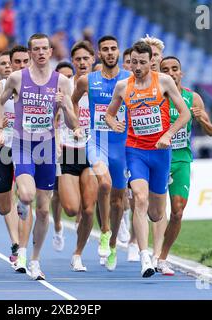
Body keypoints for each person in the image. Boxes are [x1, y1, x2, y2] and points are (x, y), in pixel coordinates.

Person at [0, 33, 80, 280]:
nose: (41, 53)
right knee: (27, 195)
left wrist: (64, 106)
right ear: (30, 53)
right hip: (22, 144)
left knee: (43, 210)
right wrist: (1, 128)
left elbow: (73, 122)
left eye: (45, 48)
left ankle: (33, 259)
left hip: (47, 147)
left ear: (51, 52)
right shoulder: (17, 78)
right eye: (37, 49)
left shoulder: (62, 82)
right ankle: (21, 209)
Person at [105, 41, 191, 277]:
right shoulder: (123, 86)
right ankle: (145, 258)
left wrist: (168, 134)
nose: (138, 66)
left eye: (143, 62)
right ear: (130, 62)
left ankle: (153, 252)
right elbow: (108, 115)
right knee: (139, 199)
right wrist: (114, 123)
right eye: (134, 62)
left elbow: (185, 113)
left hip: (161, 153)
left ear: (150, 61)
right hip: (135, 151)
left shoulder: (163, 81)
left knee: (156, 213)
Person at [72, 35, 130, 271]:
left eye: (113, 49)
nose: (109, 53)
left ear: (118, 52)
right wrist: (77, 125)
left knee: (118, 201)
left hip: (122, 144)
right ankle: (104, 231)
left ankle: (114, 241)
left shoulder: (130, 78)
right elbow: (73, 102)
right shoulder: (87, 81)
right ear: (99, 54)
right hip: (96, 141)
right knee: (103, 184)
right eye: (105, 49)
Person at [157, 56, 212, 275]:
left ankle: (162, 258)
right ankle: (142, 246)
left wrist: (202, 120)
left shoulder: (193, 98)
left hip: (181, 159)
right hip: (159, 157)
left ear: (181, 73)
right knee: (154, 212)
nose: (171, 73)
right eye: (165, 70)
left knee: (178, 212)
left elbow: (211, 131)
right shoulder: (156, 97)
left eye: (175, 69)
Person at [0, 46, 34, 272]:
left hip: (25, 148)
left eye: (13, 63)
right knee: (3, 205)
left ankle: (19, 247)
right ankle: (17, 237)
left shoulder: (35, 87)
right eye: (5, 64)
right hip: (2, 148)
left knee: (24, 194)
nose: (10, 67)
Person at [57, 41, 98, 271]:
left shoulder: (100, 86)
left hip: (92, 150)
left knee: (89, 209)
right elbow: (53, 117)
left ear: (93, 59)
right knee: (72, 209)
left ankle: (78, 253)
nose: (82, 63)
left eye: (86, 58)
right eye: (78, 59)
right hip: (68, 150)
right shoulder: (64, 86)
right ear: (73, 62)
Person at [51, 60, 75, 252]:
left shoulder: (76, 92)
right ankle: (58, 225)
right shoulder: (51, 94)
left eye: (69, 76)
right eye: (62, 76)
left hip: (76, 145)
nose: (66, 79)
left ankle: (79, 224)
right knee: (57, 192)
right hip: (57, 145)